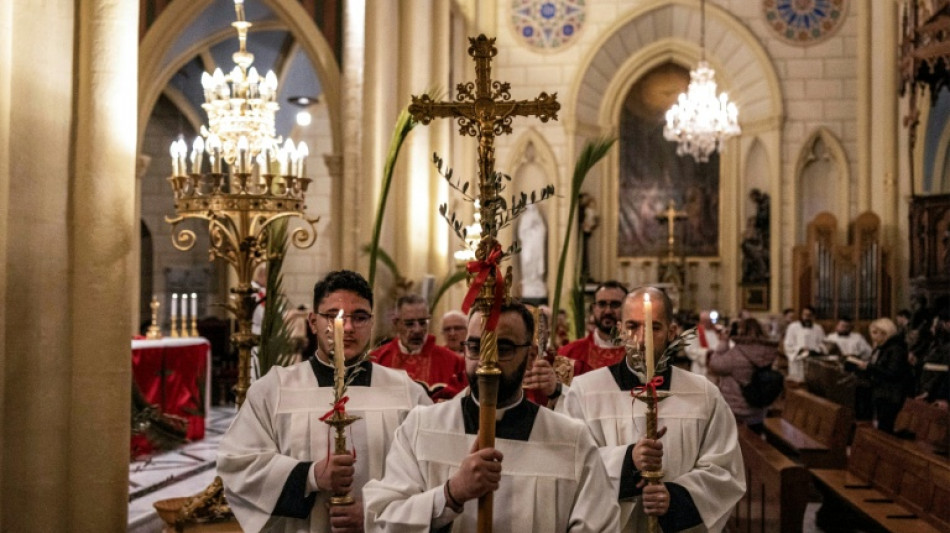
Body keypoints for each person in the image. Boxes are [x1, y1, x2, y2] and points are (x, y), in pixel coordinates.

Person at [363, 301, 620, 532]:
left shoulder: (571, 440)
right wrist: (451, 494)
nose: (487, 362)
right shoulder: (421, 428)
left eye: (503, 348)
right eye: (475, 347)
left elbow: (599, 525)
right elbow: (383, 520)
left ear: (530, 357)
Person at [217, 270, 431, 533]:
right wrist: (310, 476)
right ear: (312, 322)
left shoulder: (407, 394)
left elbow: (431, 473)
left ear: (372, 323)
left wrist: (375, 512)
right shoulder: (274, 391)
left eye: (360, 317)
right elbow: (238, 464)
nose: (348, 327)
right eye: (333, 316)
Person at [558, 286, 745, 532]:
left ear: (672, 332)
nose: (642, 339)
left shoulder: (704, 395)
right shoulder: (584, 391)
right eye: (633, 327)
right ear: (620, 331)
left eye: (654, 327)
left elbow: (725, 470)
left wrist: (675, 499)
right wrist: (627, 461)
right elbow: (567, 462)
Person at [372, 294, 467, 399]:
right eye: (409, 324)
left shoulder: (454, 362)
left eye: (422, 323)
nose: (417, 330)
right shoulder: (377, 359)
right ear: (396, 323)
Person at [707, 318, 779, 432]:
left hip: (738, 413)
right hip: (759, 409)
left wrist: (723, 342)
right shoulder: (769, 351)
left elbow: (714, 365)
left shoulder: (737, 353)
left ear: (741, 331)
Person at [849, 317, 912, 434]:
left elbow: (893, 373)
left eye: (874, 333)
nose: (872, 336)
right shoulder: (882, 348)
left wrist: (869, 367)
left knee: (885, 429)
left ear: (884, 333)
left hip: (891, 395)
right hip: (881, 393)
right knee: (881, 427)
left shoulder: (896, 349)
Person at [558, 280, 628, 370]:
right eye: (601, 304)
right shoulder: (568, 353)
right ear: (593, 308)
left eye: (615, 304)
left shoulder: (640, 354)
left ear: (628, 309)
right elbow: (559, 384)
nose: (608, 311)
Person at [782, 305, 826, 382]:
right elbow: (788, 344)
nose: (806, 318)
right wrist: (800, 349)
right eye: (804, 315)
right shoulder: (793, 327)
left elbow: (823, 344)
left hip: (813, 359)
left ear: (813, 316)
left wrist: (815, 350)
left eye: (809, 315)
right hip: (798, 358)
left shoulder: (818, 328)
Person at [682, 310, 719, 377]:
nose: (707, 322)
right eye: (704, 320)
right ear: (700, 321)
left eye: (709, 320)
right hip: (701, 369)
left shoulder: (717, 331)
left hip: (717, 367)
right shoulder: (693, 334)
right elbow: (690, 350)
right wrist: (707, 352)